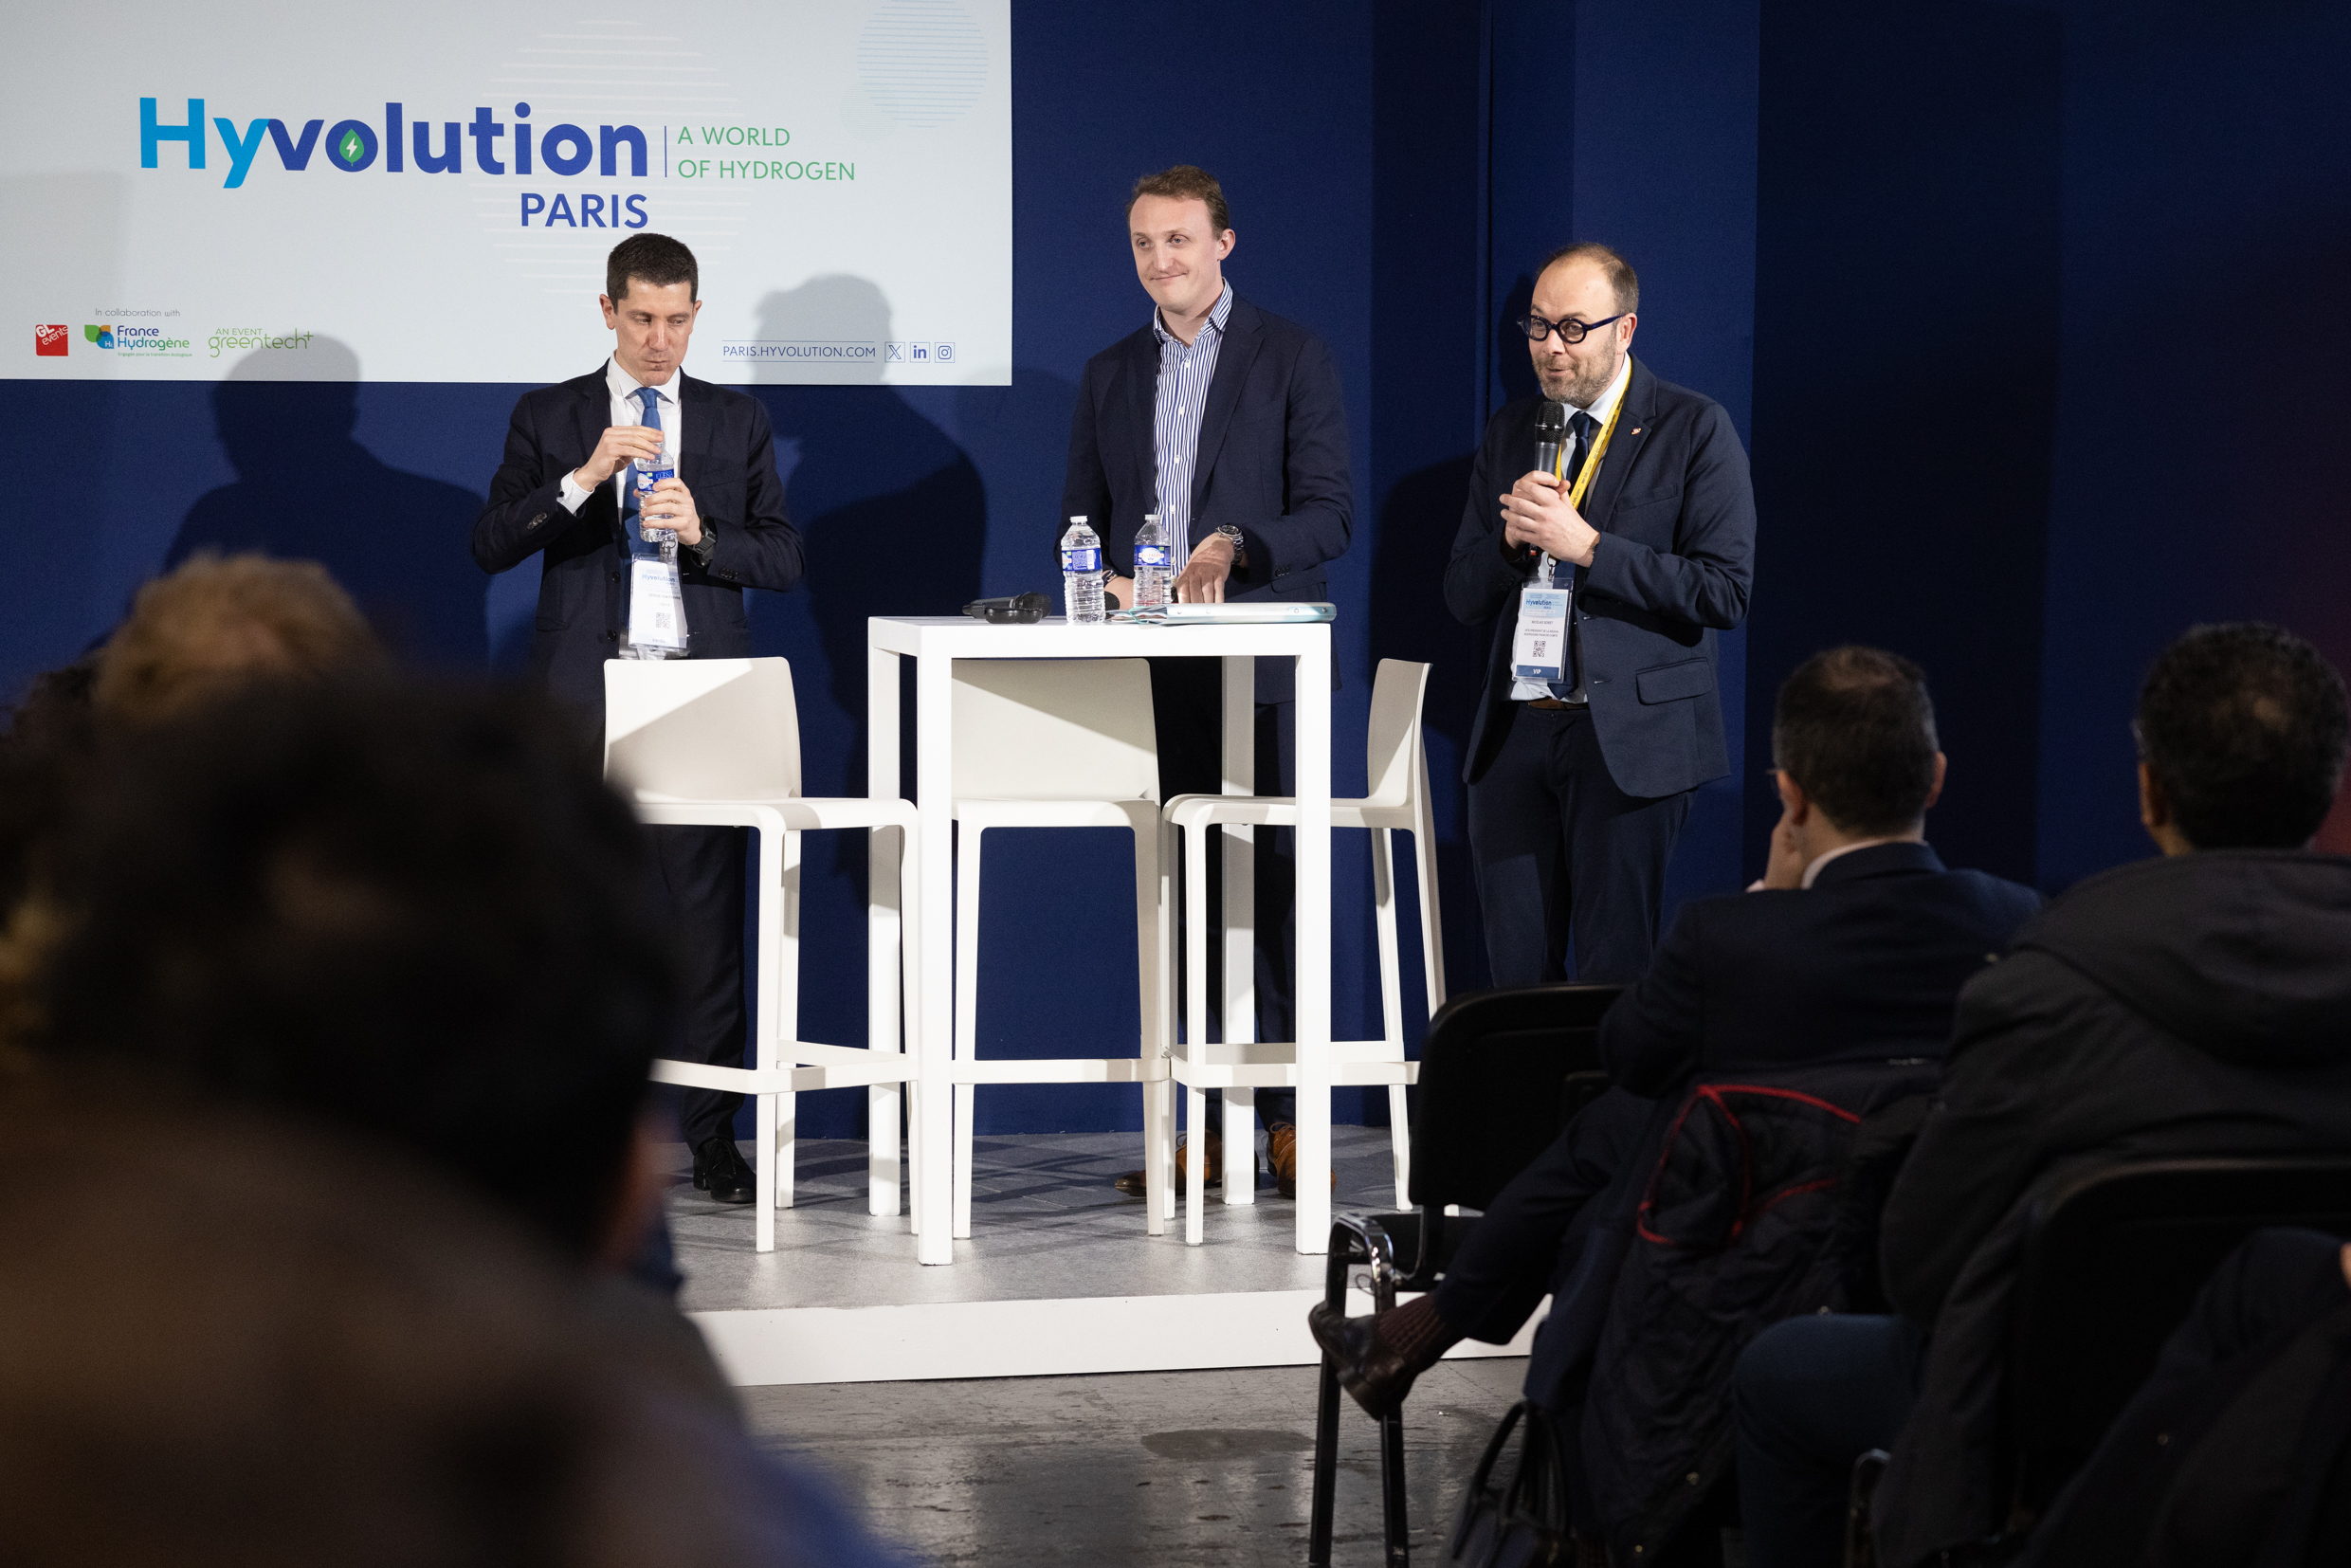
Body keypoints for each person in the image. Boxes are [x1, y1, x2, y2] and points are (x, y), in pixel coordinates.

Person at [1733, 622, 2351, 1568]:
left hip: (2046, 1417)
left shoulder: (2044, 979)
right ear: (2327, 786)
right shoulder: (2039, 957)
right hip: (2316, 1397)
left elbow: (1922, 1266)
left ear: (2149, 792)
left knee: (1777, 1372)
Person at [1311, 647, 2039, 1416]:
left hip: (1739, 1269)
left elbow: (1621, 1054)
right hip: (1958, 1264)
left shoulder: (1731, 942)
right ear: (1936, 777)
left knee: (1620, 1117)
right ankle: (1430, 1328)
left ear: (1790, 795)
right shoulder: (2019, 923)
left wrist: (1766, 899)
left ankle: (1436, 1326)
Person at [472, 232, 805, 1207]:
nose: (662, 340)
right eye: (644, 318)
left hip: (697, 692)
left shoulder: (736, 421)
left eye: (679, 319)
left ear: (696, 315)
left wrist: (705, 533)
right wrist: (580, 479)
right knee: (569, 922)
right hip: (585, 697)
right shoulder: (551, 415)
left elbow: (783, 558)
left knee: (706, 925)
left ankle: (711, 1137)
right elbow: (490, 543)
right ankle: (568, 1134)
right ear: (608, 311)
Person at [1061, 164, 1353, 1196]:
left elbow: (1329, 513)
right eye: (1143, 244)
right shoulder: (1107, 374)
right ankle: (1211, 1128)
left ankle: (1279, 1120)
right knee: (1186, 896)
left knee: (1265, 895)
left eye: (1178, 241)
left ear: (1222, 244)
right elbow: (1080, 520)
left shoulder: (1290, 355)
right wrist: (1090, 574)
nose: (1159, 261)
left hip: (1260, 669)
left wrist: (1235, 542)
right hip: (1154, 671)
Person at [1445, 243, 1756, 987]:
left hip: (1626, 739)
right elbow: (1461, 595)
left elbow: (1724, 590)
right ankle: (1530, 1109)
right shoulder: (1512, 430)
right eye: (1539, 327)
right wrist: (1513, 545)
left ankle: (1610, 1107)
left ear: (1626, 328)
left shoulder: (1692, 428)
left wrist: (1590, 549)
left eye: (1575, 328)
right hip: (1518, 731)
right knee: (1517, 976)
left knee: (1615, 972)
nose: (1553, 348)